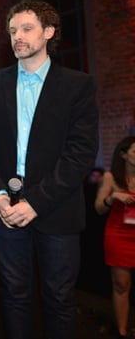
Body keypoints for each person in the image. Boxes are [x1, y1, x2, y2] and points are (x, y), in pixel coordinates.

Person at [0, 0, 99, 339]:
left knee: (59, 299)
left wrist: (35, 202)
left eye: (27, 29)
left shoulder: (77, 85)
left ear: (49, 32)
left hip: (57, 208)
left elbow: (81, 153)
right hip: (5, 209)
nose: (18, 36)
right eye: (13, 30)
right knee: (14, 296)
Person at [95, 137, 135, 339]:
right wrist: (113, 197)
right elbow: (98, 208)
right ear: (123, 155)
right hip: (119, 235)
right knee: (121, 284)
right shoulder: (110, 177)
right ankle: (122, 331)